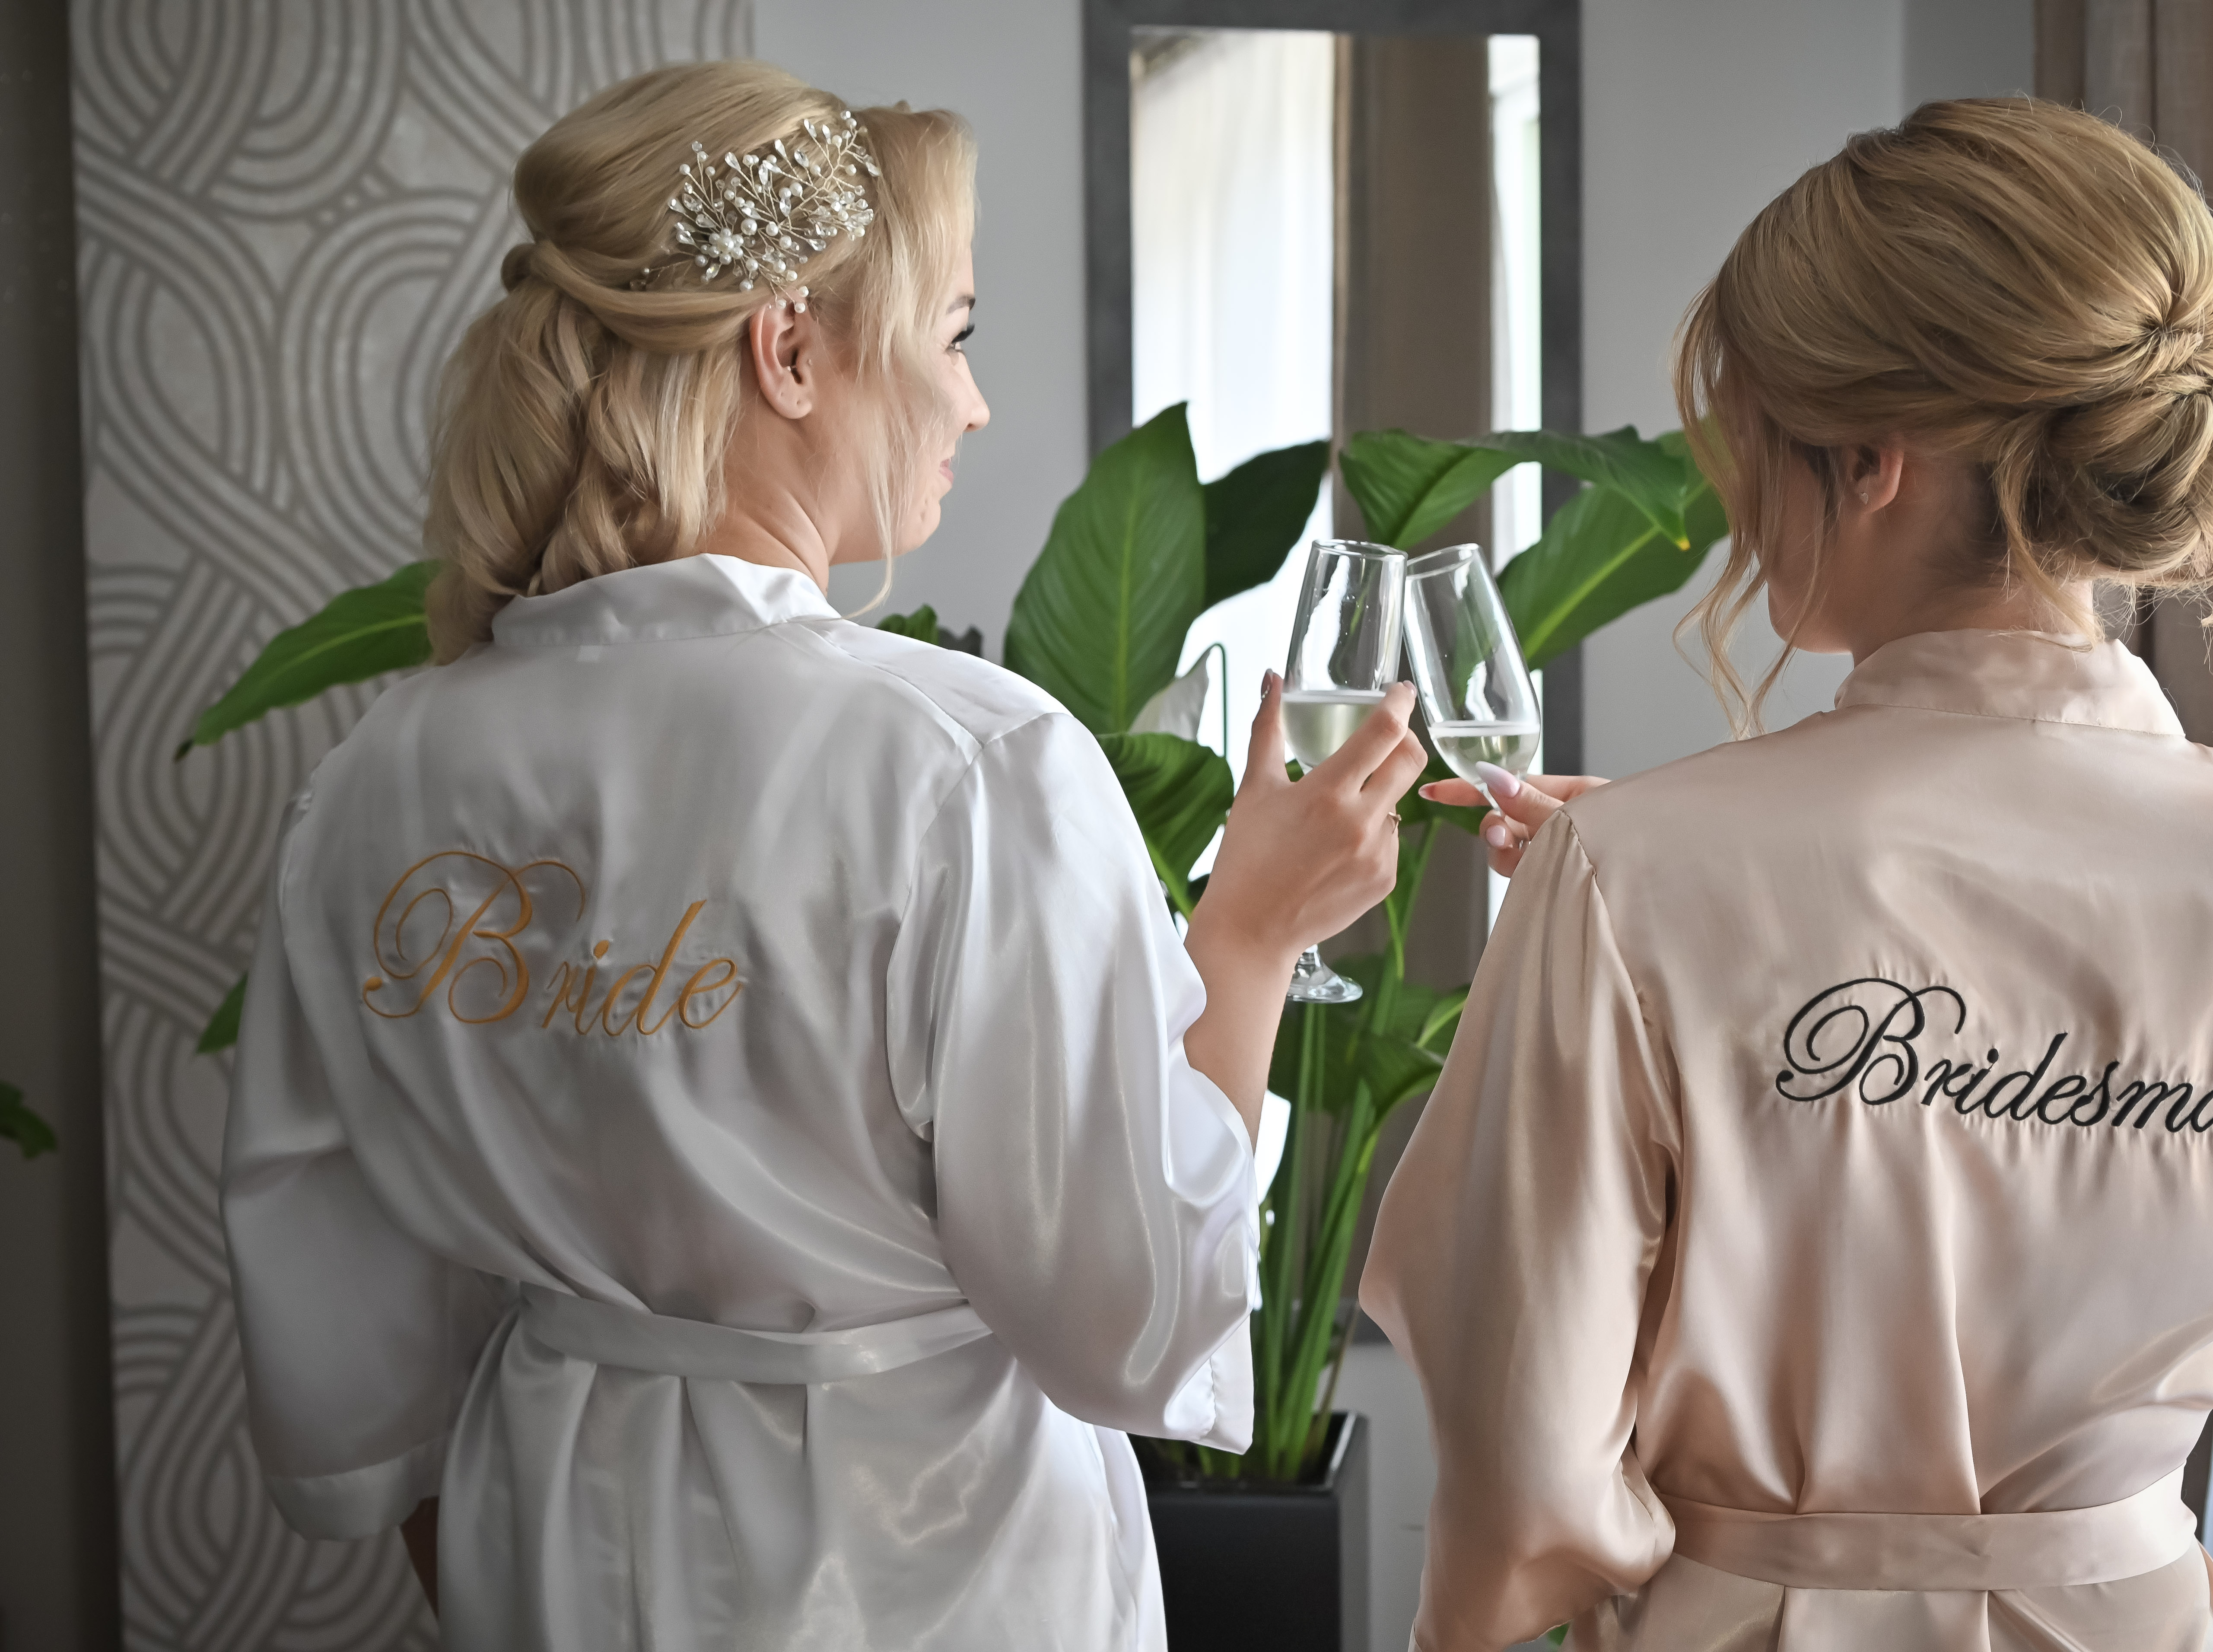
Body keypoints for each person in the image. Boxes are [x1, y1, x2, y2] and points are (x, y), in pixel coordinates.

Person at [220, 61, 1424, 1651]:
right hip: (936, 1567)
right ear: (788, 350)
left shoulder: (378, 776)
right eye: (955, 334)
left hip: (548, 1546)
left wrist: (515, 1560)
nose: (972, 402)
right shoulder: (964, 762)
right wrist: (1252, 935)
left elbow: (350, 1340)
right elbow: (1124, 1323)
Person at [1365, 98, 2213, 1652]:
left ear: (1869, 460)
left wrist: (1657, 898)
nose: (1731, 492)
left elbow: (1523, 1452)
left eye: (1747, 434)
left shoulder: (1633, 880)